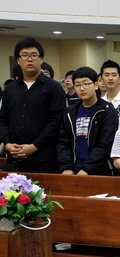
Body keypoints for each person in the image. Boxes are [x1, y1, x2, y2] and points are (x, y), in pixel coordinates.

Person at [0, 38, 65, 173]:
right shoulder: (10, 90)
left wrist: (34, 146)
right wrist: (7, 144)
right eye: (25, 55)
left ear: (41, 59)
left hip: (44, 158)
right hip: (15, 157)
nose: (30, 59)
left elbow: (56, 121)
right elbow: (3, 120)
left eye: (34, 55)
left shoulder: (53, 88)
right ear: (18, 60)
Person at [58, 66, 118, 176]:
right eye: (77, 85)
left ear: (96, 85)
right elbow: (63, 142)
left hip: (100, 172)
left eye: (86, 84)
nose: (82, 88)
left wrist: (86, 170)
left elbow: (104, 145)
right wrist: (66, 167)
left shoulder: (107, 111)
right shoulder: (69, 112)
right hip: (73, 170)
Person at [100, 60, 120, 129]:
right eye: (107, 75)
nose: (110, 78)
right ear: (101, 79)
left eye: (114, 75)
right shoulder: (99, 102)